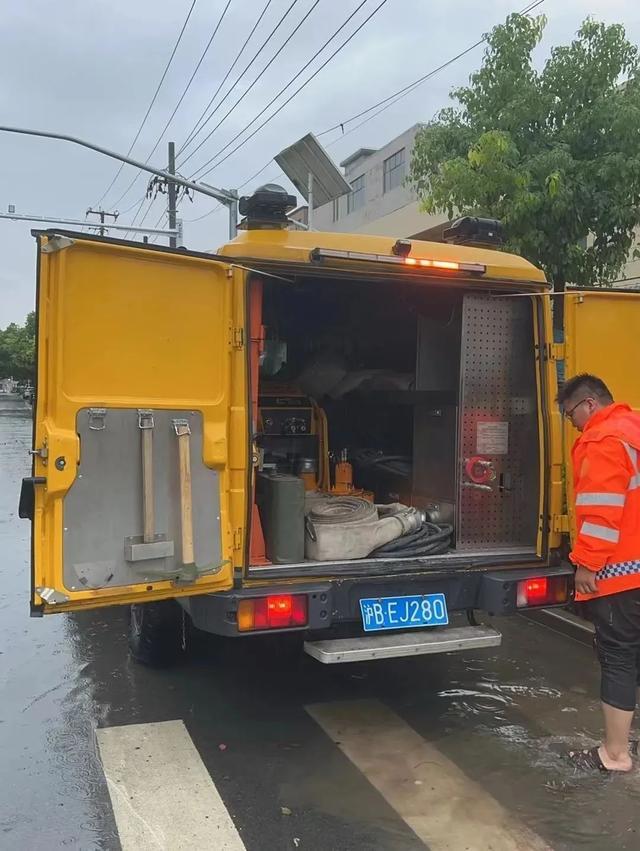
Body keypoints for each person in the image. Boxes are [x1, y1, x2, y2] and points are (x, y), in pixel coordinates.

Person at [558, 374, 640, 772]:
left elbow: (602, 511)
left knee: (619, 657)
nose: (571, 422)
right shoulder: (634, 429)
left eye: (570, 412)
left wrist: (587, 564)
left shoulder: (603, 439)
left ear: (589, 404)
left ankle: (615, 754)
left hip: (623, 573)